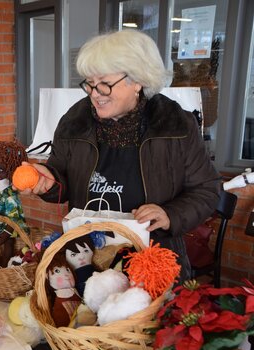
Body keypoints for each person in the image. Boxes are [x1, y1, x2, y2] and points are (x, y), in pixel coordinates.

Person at [18, 30, 221, 282]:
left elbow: (207, 189)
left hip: (154, 262)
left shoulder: (176, 124)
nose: (94, 92)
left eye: (105, 83)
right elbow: (62, 182)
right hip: (88, 260)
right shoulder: (74, 121)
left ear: (137, 80)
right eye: (90, 83)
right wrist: (46, 182)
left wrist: (170, 214)